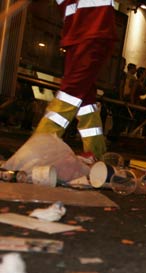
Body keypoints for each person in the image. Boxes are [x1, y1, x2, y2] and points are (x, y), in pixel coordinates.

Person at [30, 0, 116, 160]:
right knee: (85, 99)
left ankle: (39, 148)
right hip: (78, 37)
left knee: (70, 92)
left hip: (93, 32)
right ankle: (95, 152)